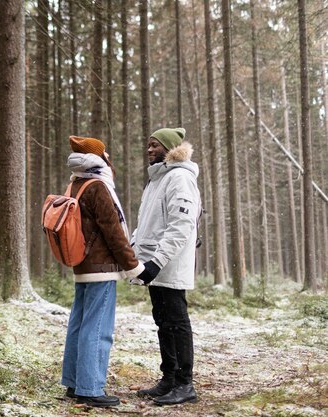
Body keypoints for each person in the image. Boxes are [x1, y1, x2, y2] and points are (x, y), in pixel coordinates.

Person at [61, 136, 145, 408]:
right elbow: (113, 232)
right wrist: (133, 266)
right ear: (98, 158)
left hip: (83, 264)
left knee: (79, 324)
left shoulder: (76, 183)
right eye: (105, 153)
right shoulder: (98, 186)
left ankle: (74, 383)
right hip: (102, 267)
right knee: (98, 328)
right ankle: (90, 388)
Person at [131, 127, 201, 405]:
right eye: (148, 145)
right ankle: (169, 378)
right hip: (152, 265)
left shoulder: (180, 178)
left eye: (155, 145)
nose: (149, 150)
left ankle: (185, 384)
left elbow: (181, 225)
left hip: (168, 265)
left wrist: (157, 262)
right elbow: (147, 223)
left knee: (177, 322)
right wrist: (135, 252)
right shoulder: (157, 180)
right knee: (163, 322)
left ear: (170, 149)